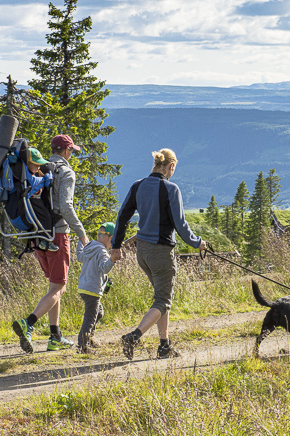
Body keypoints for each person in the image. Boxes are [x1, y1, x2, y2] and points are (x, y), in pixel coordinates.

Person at [111, 148, 206, 360]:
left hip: (142, 252)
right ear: (171, 167)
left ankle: (164, 345)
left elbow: (122, 217)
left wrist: (116, 246)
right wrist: (198, 243)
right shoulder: (171, 189)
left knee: (161, 299)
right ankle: (134, 336)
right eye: (174, 169)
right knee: (163, 300)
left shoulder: (137, 186)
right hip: (161, 251)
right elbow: (180, 225)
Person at [12, 134, 89, 353]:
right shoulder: (65, 172)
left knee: (55, 285)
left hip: (37, 235)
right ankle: (29, 322)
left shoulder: (40, 168)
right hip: (57, 235)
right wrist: (82, 234)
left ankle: (55, 336)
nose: (71, 154)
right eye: (72, 151)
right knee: (59, 286)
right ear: (66, 152)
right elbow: (65, 206)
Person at [76, 222, 117, 353]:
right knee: (90, 318)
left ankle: (90, 338)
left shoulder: (89, 247)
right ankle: (83, 345)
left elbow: (80, 257)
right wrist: (113, 259)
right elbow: (104, 268)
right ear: (110, 238)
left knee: (98, 313)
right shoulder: (103, 251)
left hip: (83, 287)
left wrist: (80, 241)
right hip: (92, 290)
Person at [26, 147, 59, 252]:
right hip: (32, 200)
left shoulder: (31, 172)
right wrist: (48, 175)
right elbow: (38, 182)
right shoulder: (26, 174)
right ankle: (45, 241)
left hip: (34, 200)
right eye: (36, 164)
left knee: (46, 217)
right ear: (27, 163)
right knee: (46, 218)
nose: (38, 166)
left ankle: (42, 240)